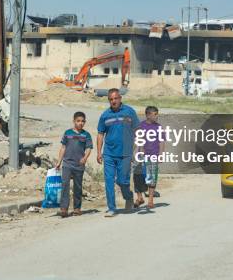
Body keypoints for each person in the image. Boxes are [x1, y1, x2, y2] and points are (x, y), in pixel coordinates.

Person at [97, 88, 139, 217]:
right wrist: (99, 152)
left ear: (120, 98)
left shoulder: (129, 112)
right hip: (109, 153)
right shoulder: (105, 115)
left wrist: (137, 149)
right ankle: (112, 208)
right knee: (109, 180)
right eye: (111, 99)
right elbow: (100, 134)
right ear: (108, 100)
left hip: (125, 153)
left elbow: (137, 131)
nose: (113, 101)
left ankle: (129, 197)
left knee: (122, 181)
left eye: (115, 98)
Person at [56, 111, 93, 218]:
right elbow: (63, 148)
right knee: (65, 185)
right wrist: (59, 162)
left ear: (85, 122)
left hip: (79, 165)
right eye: (78, 121)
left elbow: (89, 148)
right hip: (67, 164)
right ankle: (64, 209)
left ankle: (77, 208)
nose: (80, 123)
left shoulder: (86, 135)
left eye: (82, 121)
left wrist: (85, 158)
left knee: (77, 187)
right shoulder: (67, 133)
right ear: (74, 121)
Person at [134, 106, 163, 209]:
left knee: (152, 178)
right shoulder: (141, 126)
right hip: (141, 155)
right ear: (148, 115)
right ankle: (139, 197)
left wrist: (160, 155)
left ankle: (150, 200)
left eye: (157, 114)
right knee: (137, 176)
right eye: (154, 114)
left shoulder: (159, 127)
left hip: (153, 156)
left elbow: (161, 142)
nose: (157, 116)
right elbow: (138, 140)